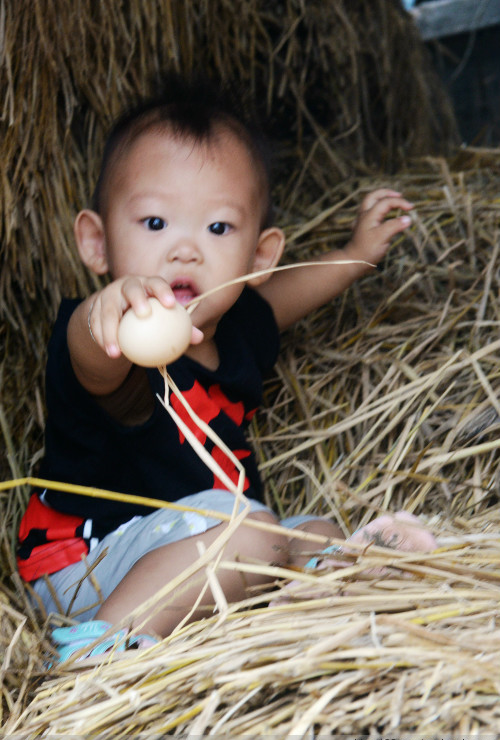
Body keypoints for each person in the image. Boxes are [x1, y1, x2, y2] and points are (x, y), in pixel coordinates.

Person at [17, 74, 436, 663]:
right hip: (89, 563)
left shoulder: (239, 331)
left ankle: (333, 590)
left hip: (205, 540)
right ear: (97, 243)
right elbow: (90, 357)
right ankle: (98, 648)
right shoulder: (115, 344)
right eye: (155, 224)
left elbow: (285, 298)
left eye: (218, 228)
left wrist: (355, 256)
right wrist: (106, 313)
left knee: (315, 534)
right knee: (257, 534)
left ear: (258, 256)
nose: (186, 248)